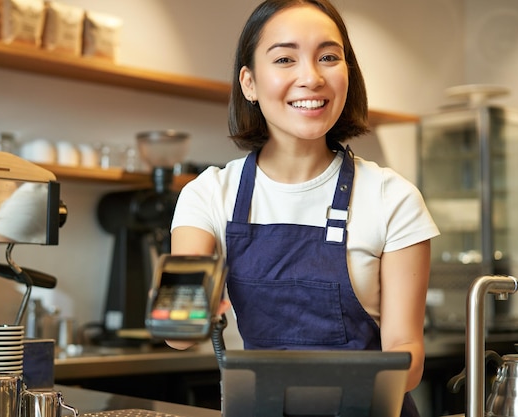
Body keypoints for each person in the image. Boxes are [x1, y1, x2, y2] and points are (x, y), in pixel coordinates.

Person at [168, 1, 439, 416]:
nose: (311, 78)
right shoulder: (208, 194)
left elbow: (407, 353)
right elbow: (179, 334)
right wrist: (189, 310)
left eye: (329, 57)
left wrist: (333, 395)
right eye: (285, 59)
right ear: (250, 83)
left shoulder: (393, 197)